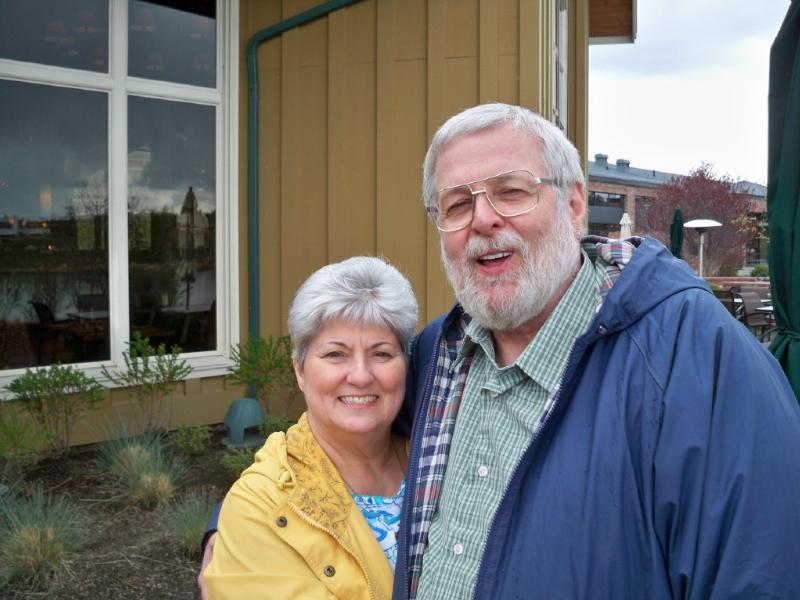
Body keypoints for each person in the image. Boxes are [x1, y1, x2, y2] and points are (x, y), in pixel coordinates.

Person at [392, 103, 800, 599]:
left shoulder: (697, 358)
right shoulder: (434, 356)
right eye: (457, 204)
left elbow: (760, 575)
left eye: (511, 191)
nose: (482, 219)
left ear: (574, 204)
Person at [203, 256, 418, 600]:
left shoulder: (438, 458)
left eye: (381, 354)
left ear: (407, 366)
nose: (361, 376)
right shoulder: (259, 507)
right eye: (336, 354)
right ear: (300, 371)